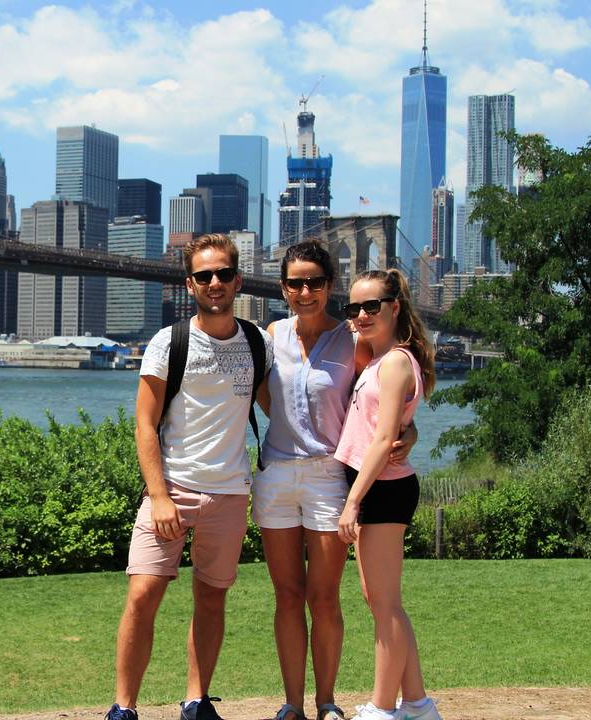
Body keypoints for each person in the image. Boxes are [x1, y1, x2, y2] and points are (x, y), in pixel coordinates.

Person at [105, 233, 272, 720]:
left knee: (212, 598)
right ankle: (123, 707)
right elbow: (144, 422)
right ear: (189, 284)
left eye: (223, 273)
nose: (214, 282)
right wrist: (158, 495)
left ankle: (196, 702)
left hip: (229, 492)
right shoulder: (168, 342)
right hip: (172, 491)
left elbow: (284, 409)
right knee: (142, 594)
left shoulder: (257, 343)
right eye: (204, 275)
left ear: (238, 280)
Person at [254, 243, 416, 720]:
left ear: (329, 286)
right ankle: (292, 705)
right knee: (287, 595)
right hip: (276, 475)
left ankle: (326, 702)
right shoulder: (271, 335)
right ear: (283, 288)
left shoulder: (354, 340)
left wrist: (411, 429)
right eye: (296, 283)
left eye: (316, 282)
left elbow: (386, 396)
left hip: (329, 477)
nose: (306, 292)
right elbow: (264, 396)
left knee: (324, 597)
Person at [333, 269, 441, 720]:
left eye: (371, 306)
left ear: (395, 308)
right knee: (381, 601)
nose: (360, 315)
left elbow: (381, 440)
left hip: (383, 487)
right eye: (353, 308)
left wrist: (353, 502)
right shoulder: (378, 359)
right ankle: (416, 703)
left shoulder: (395, 361)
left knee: (385, 604)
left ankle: (381, 708)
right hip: (378, 485)